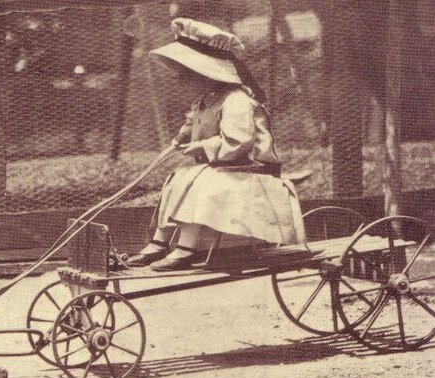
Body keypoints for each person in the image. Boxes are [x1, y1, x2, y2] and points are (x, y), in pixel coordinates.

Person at [124, 18, 305, 271]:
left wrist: (202, 147)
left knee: (201, 181)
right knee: (178, 177)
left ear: (206, 75)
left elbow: (238, 142)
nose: (180, 81)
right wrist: (183, 136)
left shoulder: (236, 100)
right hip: (227, 166)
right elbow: (193, 122)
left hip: (252, 168)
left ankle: (186, 249)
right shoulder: (206, 100)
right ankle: (158, 243)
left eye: (186, 75)